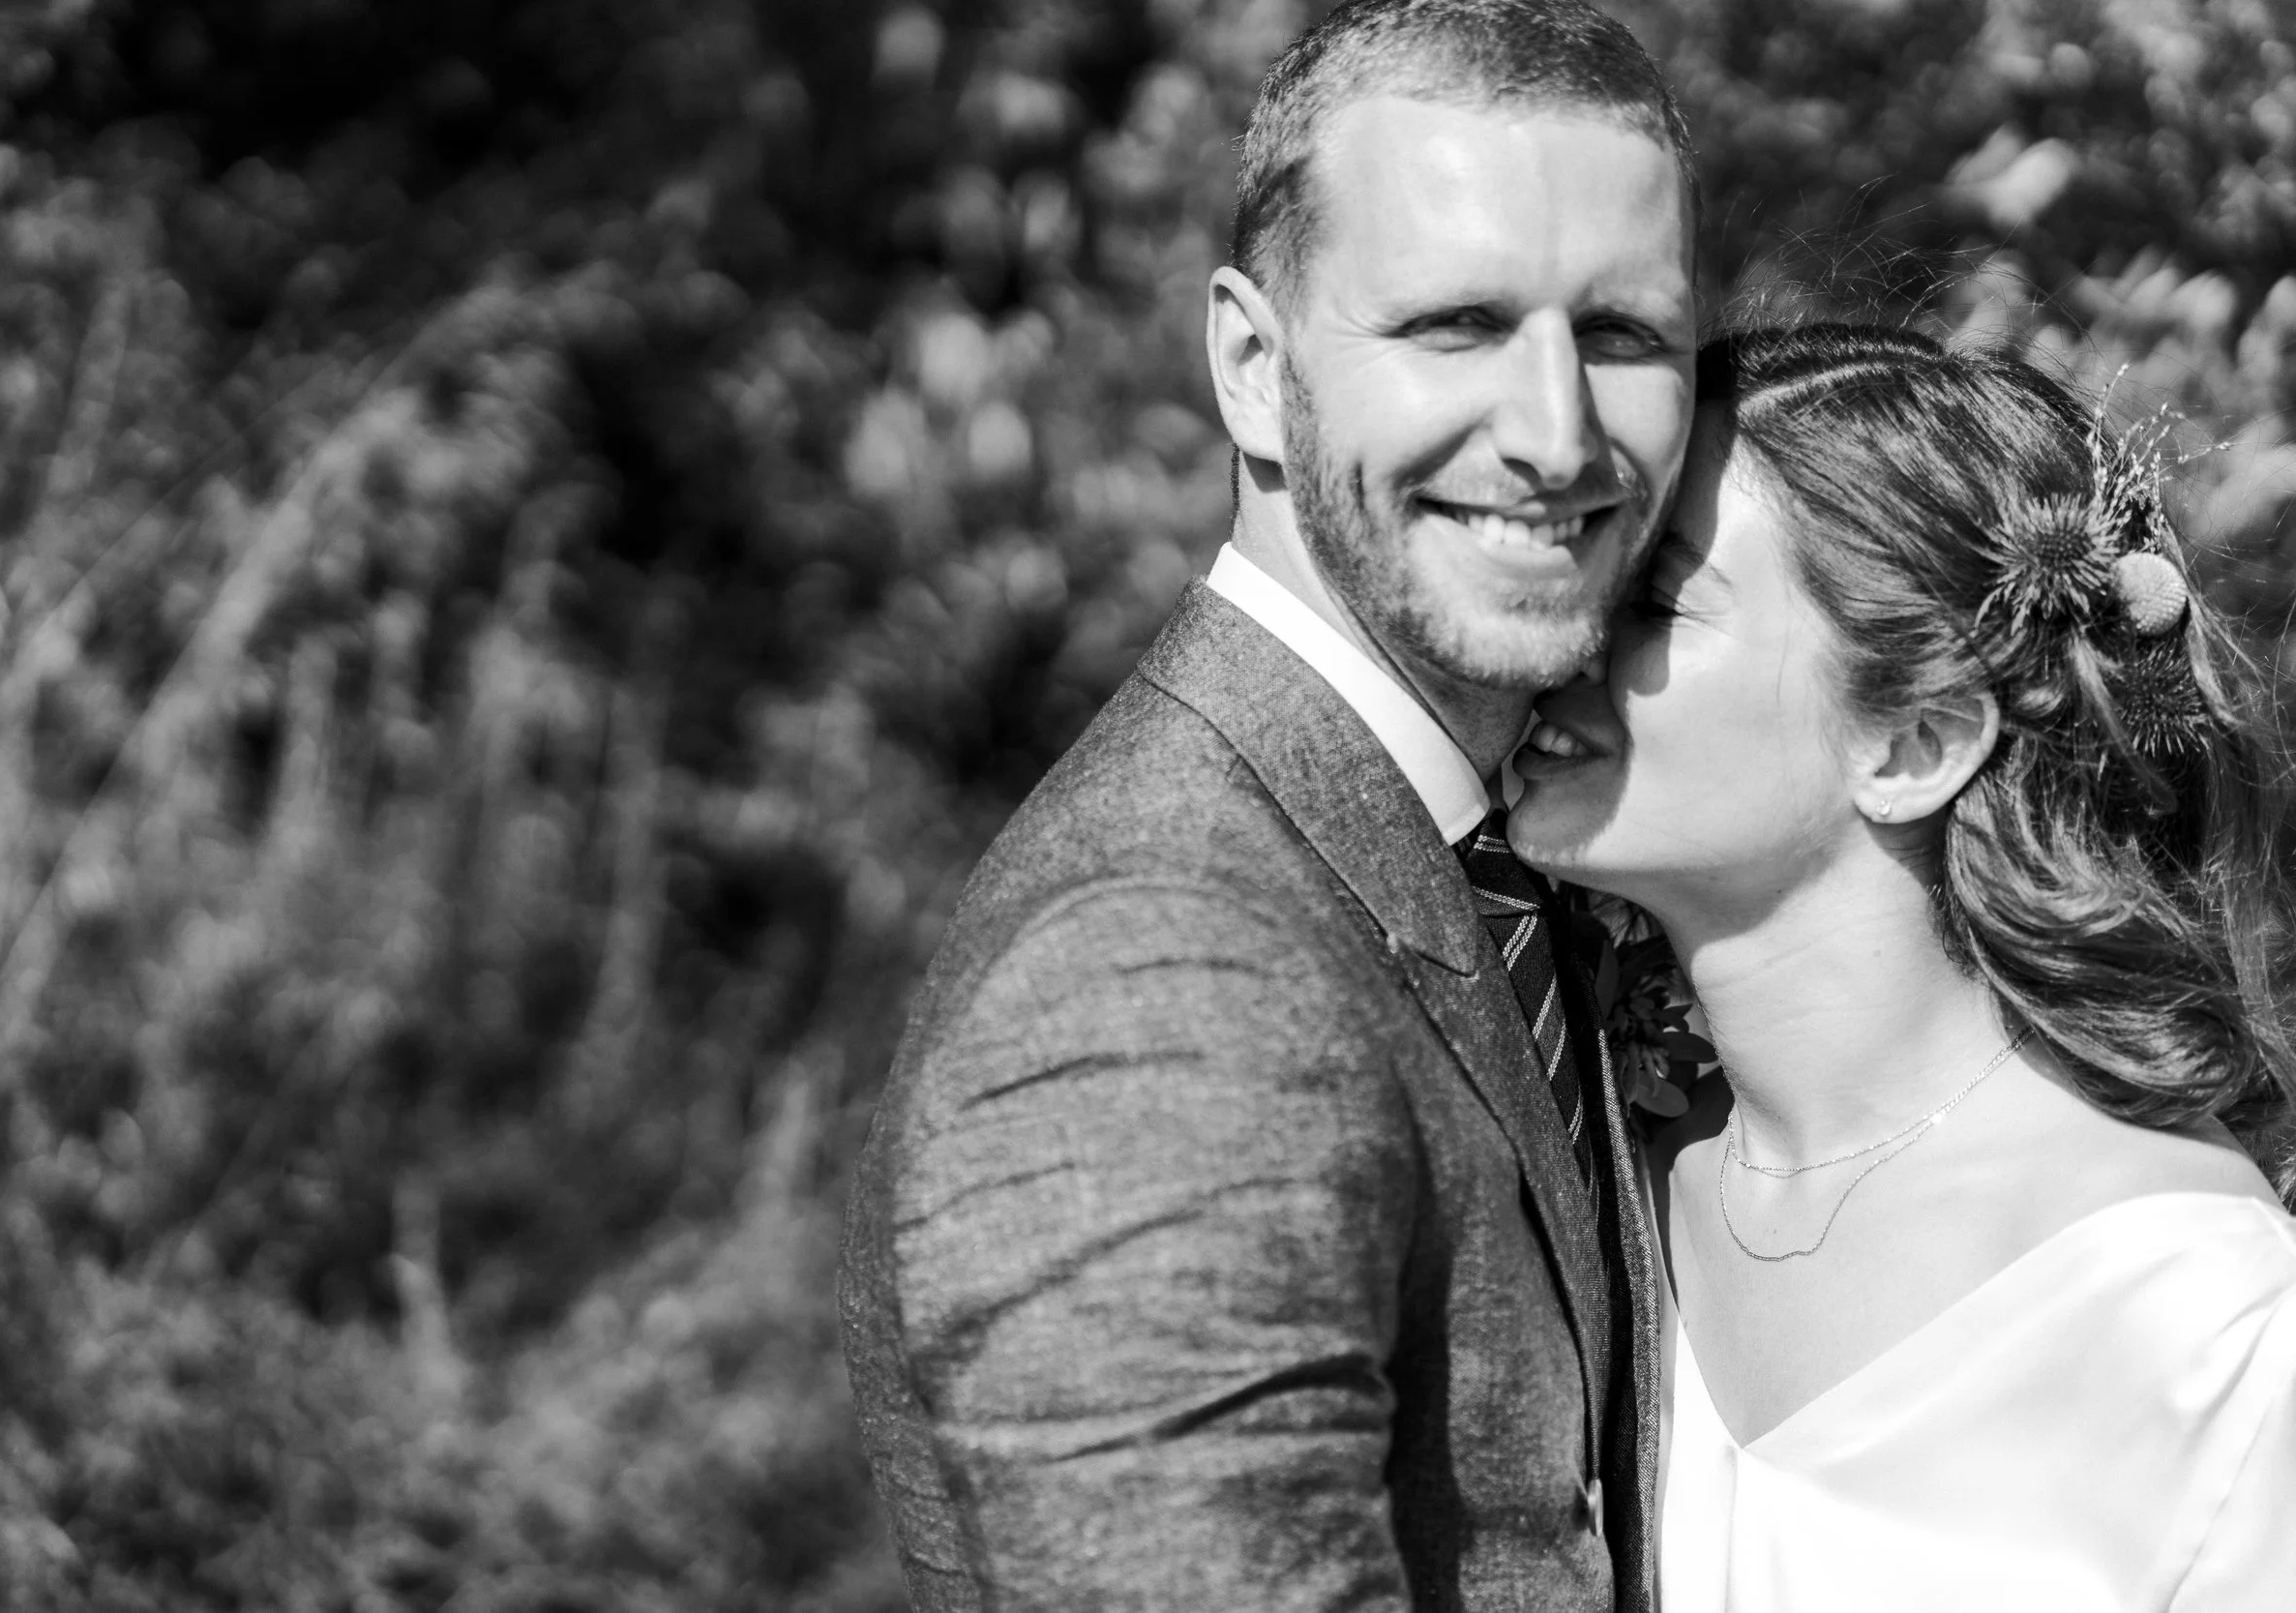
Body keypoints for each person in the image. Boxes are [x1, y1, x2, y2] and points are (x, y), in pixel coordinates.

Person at [837, 0, 1697, 1606]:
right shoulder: (1156, 969)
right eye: (1455, 325)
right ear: (1251, 365)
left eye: (1624, 336)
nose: (1557, 433)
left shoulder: (1533, 851)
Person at [1510, 322, 2296, 1610]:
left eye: (1649, 601)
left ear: (1913, 742)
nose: (1555, 639)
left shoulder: (2208, 1328)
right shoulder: (1592, 1174)